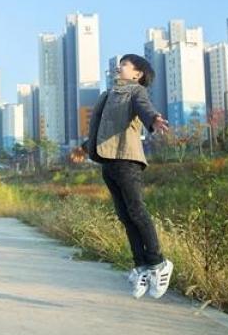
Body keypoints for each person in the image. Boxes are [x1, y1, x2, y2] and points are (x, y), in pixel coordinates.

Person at [83, 54, 172, 299]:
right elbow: (101, 129)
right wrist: (84, 147)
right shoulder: (108, 95)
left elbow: (145, 108)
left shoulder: (135, 91)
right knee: (125, 216)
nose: (118, 67)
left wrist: (154, 120)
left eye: (124, 64)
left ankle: (158, 263)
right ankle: (141, 266)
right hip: (108, 162)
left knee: (136, 211)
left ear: (137, 74)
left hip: (126, 160)